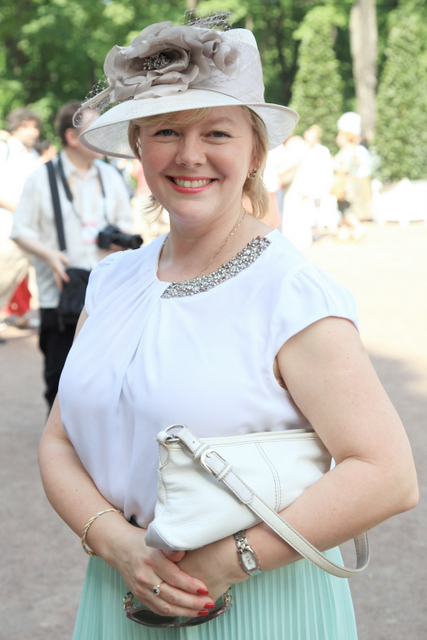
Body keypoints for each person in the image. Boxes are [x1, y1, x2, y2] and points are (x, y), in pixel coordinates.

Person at [38, 16, 418, 640]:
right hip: (120, 590)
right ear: (138, 145)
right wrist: (118, 544)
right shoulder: (111, 282)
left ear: (255, 153)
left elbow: (387, 474)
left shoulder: (290, 291)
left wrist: (226, 562)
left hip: (256, 606)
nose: (190, 155)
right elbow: (60, 441)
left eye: (216, 132)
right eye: (167, 131)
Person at [10, 101, 133, 408]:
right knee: (60, 383)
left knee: (107, 383)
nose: (105, 137)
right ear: (72, 137)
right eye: (96, 130)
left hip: (106, 293)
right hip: (60, 296)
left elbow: (126, 225)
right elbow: (21, 230)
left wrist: (120, 240)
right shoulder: (41, 178)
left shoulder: (110, 176)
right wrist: (50, 255)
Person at [0, 107, 41, 325]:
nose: (32, 131)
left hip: (29, 231)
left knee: (13, 281)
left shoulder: (33, 155)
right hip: (6, 230)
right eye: (26, 126)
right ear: (16, 127)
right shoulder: (4, 149)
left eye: (35, 127)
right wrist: (16, 207)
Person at [332, 112, 373, 241]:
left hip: (345, 184)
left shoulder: (347, 151)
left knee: (345, 209)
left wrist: (332, 163)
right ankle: (343, 233)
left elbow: (346, 169)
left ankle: (358, 228)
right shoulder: (352, 149)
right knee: (344, 208)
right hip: (348, 183)